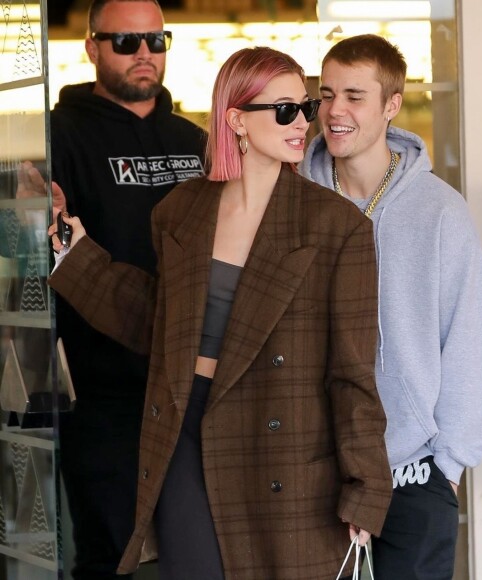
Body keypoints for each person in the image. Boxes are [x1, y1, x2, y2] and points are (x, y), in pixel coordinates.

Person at [48, 46, 392, 580]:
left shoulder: (336, 228)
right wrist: (73, 252)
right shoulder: (182, 210)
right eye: (284, 110)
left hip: (285, 443)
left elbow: (351, 374)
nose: (303, 122)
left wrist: (366, 488)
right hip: (188, 428)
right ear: (235, 119)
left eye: (304, 107)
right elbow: (160, 322)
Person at [301, 34, 482, 580]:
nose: (335, 111)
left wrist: (450, 465)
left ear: (392, 104)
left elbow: (471, 338)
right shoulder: (292, 201)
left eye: (354, 96)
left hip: (413, 474)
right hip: (315, 470)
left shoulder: (440, 211)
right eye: (326, 94)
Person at [50, 1, 207, 578]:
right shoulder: (52, 138)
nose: (144, 53)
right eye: (125, 42)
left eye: (156, 39)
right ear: (91, 47)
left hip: (192, 390)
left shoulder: (195, 140)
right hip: (102, 397)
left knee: (195, 554)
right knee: (112, 558)